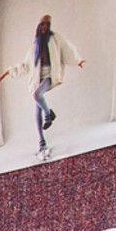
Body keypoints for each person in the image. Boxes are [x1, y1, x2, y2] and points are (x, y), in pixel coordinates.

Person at [28, 10, 84, 161]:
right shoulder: (35, 44)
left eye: (47, 24)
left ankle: (48, 114)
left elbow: (67, 49)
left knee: (36, 95)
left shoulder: (55, 38)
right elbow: (26, 64)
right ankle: (41, 143)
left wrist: (77, 60)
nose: (45, 26)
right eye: (42, 24)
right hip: (38, 78)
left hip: (50, 76)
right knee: (36, 108)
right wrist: (9, 72)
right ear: (39, 26)